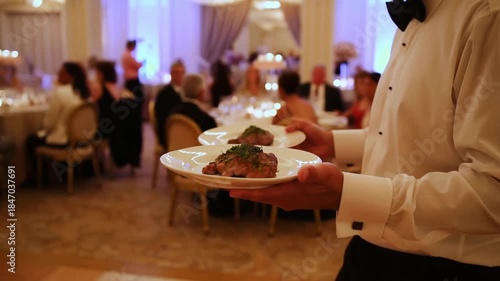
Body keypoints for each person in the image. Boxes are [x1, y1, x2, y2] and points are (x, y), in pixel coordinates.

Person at [230, 0, 500, 280]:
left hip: (447, 266)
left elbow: (492, 188)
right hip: (373, 245)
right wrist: (332, 143)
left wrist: (347, 193)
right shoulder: (408, 22)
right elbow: (403, 132)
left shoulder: (486, 17)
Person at [26, 62, 90, 182]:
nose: (58, 75)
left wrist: (44, 129)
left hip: (65, 141)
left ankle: (41, 179)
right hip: (83, 140)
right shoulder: (85, 93)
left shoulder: (61, 92)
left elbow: (49, 123)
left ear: (70, 76)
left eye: (61, 72)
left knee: (31, 140)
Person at [154, 60, 185, 149]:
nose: (179, 76)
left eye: (181, 73)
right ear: (171, 74)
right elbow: (161, 119)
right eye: (176, 73)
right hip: (170, 134)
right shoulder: (164, 94)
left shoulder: (185, 91)